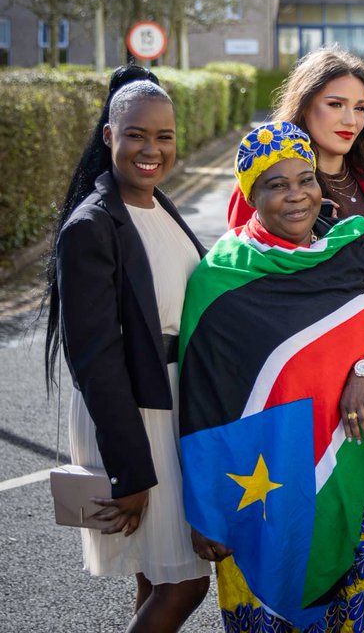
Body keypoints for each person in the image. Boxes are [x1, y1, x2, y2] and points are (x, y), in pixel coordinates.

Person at [180, 122, 364, 631]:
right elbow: (203, 407)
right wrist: (205, 508)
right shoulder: (220, 280)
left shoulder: (360, 247)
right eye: (276, 185)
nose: (297, 195)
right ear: (250, 194)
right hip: (273, 488)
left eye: (305, 179)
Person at [44, 66, 210, 632]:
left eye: (164, 136)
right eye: (136, 134)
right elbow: (93, 359)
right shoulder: (90, 227)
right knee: (185, 581)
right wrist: (129, 472)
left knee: (157, 572)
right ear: (110, 135)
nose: (152, 149)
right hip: (133, 414)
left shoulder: (160, 205)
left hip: (169, 401)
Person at [227, 45, 364, 242]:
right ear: (304, 106)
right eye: (335, 105)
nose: (351, 121)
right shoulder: (265, 182)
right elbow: (243, 264)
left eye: (359, 108)